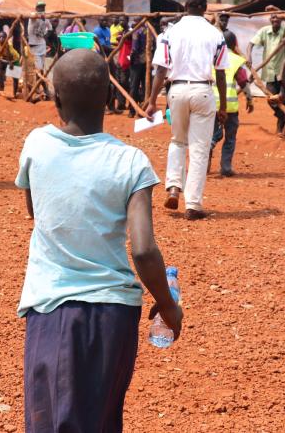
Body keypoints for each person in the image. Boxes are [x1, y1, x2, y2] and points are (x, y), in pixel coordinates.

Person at [15, 49, 182, 433]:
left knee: (47, 421)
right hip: (112, 313)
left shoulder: (37, 144)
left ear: (55, 98)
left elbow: (36, 209)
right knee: (101, 419)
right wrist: (167, 304)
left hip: (50, 306)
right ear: (109, 96)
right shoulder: (131, 162)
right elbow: (143, 249)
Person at [145, 0, 230, 220]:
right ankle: (193, 204)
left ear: (184, 7)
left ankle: (173, 186)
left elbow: (161, 70)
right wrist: (223, 106)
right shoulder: (216, 34)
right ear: (205, 8)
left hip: (177, 90)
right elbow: (221, 74)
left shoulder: (169, 33)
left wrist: (152, 101)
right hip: (203, 91)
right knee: (200, 149)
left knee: (177, 141)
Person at [211, 30, 252, 177]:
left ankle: (205, 165)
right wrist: (250, 99)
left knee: (210, 134)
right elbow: (243, 82)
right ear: (235, 44)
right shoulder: (235, 60)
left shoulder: (211, 57)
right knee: (230, 137)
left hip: (210, 103)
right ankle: (226, 167)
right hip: (230, 106)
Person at [247, 6, 285, 133]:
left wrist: (277, 10)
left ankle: (281, 129)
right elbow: (251, 44)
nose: (275, 19)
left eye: (278, 17)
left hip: (283, 73)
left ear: (281, 19)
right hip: (269, 72)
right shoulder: (264, 31)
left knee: (284, 100)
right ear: (270, 19)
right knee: (271, 99)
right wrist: (249, 56)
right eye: (273, 17)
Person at [127, 21, 148, 118]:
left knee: (134, 86)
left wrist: (131, 59)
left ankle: (132, 110)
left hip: (136, 62)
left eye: (135, 21)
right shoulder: (148, 31)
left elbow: (134, 48)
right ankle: (143, 109)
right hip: (146, 62)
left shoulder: (136, 32)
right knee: (145, 86)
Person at [0, 31, 21, 97]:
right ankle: (1, 89)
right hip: (5, 60)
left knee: (15, 78)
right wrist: (8, 62)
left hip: (14, 60)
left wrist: (10, 62)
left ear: (6, 38)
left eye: (3, 37)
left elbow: (12, 56)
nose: (1, 38)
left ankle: (15, 93)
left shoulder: (9, 44)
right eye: (0, 37)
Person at [27, 1, 52, 73]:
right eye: (40, 7)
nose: (42, 9)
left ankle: (41, 82)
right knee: (38, 67)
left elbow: (50, 29)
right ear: (36, 8)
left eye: (43, 7)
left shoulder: (46, 18)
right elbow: (32, 15)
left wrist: (45, 37)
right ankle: (41, 82)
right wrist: (40, 15)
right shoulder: (33, 17)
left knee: (42, 67)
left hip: (42, 45)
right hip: (34, 45)